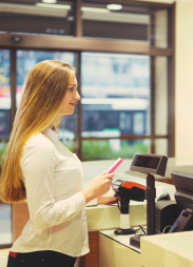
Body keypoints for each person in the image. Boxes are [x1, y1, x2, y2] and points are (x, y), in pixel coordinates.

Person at [0, 60, 115, 267]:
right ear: (51, 93)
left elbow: (60, 196)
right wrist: (89, 193)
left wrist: (95, 198)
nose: (77, 96)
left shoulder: (50, 137)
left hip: (51, 256)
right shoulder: (39, 146)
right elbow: (43, 216)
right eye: (71, 89)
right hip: (39, 258)